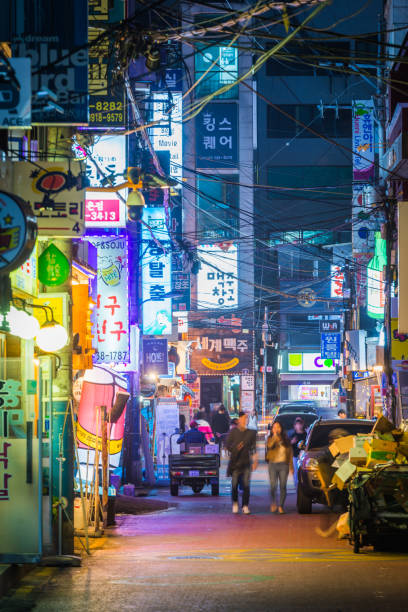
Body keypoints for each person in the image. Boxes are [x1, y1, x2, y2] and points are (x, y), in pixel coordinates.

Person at [226, 411, 258, 514]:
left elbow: (253, 448)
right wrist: (235, 448)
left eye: (246, 418)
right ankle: (235, 503)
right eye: (243, 418)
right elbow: (227, 445)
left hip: (246, 463)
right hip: (235, 464)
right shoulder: (233, 432)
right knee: (234, 485)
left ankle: (245, 506)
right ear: (239, 419)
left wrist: (255, 461)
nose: (245, 420)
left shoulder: (251, 433)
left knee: (246, 486)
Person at [266, 421, 293, 514]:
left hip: (283, 465)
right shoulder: (270, 438)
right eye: (274, 427)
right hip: (273, 465)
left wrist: (291, 467)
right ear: (272, 429)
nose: (276, 429)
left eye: (278, 427)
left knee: (283, 486)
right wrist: (274, 437)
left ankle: (281, 506)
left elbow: (290, 453)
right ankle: (273, 502)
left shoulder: (286, 439)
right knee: (273, 486)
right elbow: (269, 446)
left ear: (281, 429)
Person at [289, 417, 307, 488]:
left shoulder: (306, 434)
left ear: (302, 425)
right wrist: (291, 442)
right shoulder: (293, 435)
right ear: (294, 426)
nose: (298, 426)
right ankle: (297, 487)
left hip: (304, 457)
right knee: (296, 473)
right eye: (297, 424)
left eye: (300, 424)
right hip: (295, 457)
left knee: (304, 473)